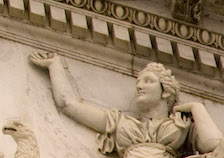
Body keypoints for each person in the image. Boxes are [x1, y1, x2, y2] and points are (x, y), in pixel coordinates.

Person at [29, 53, 223, 158]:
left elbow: (217, 147)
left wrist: (197, 108)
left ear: (165, 91)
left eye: (148, 81)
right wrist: (55, 66)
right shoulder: (121, 123)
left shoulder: (181, 126)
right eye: (138, 81)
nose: (139, 86)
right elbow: (68, 105)